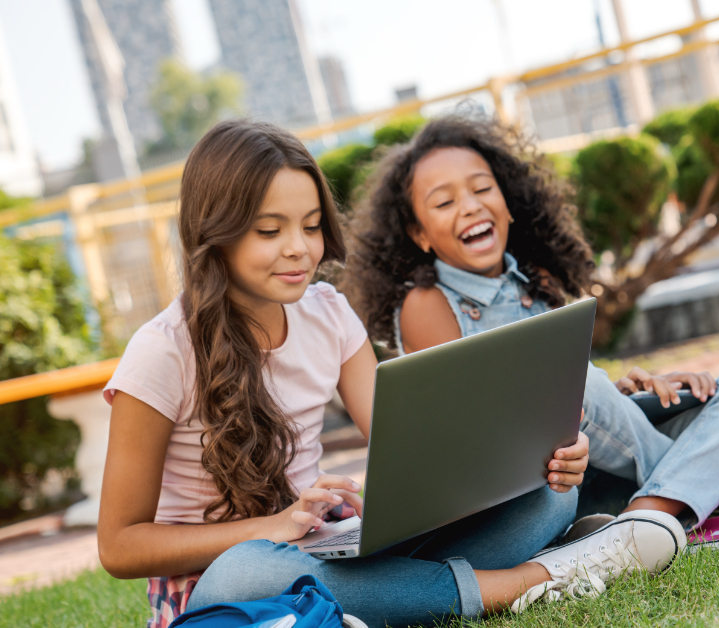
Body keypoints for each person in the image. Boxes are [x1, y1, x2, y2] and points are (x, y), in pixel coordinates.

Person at [97, 120, 685, 628]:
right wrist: (272, 527)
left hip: (326, 549)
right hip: (227, 593)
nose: (299, 249)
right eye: (269, 231)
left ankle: (393, 599)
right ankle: (530, 579)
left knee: (547, 498)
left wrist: (536, 459)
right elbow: (119, 546)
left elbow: (412, 457)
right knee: (248, 570)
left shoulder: (326, 312)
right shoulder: (162, 352)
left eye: (310, 225)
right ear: (214, 235)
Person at [342, 116, 719, 537]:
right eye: (444, 202)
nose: (469, 206)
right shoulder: (426, 303)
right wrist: (590, 392)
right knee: (581, 388)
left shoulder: (539, 280)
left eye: (481, 188)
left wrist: (625, 389)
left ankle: (652, 506)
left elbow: (589, 405)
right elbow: (479, 426)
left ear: (509, 202)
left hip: (597, 453)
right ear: (419, 234)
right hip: (541, 483)